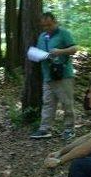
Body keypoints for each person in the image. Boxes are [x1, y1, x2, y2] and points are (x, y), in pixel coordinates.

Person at [30, 12, 77, 140]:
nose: (47, 28)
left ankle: (69, 129)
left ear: (55, 22)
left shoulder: (63, 33)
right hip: (48, 75)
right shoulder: (42, 36)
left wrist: (60, 51)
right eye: (44, 26)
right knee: (48, 103)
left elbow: (74, 48)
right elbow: (40, 52)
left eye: (49, 25)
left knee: (67, 103)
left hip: (63, 75)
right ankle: (45, 129)